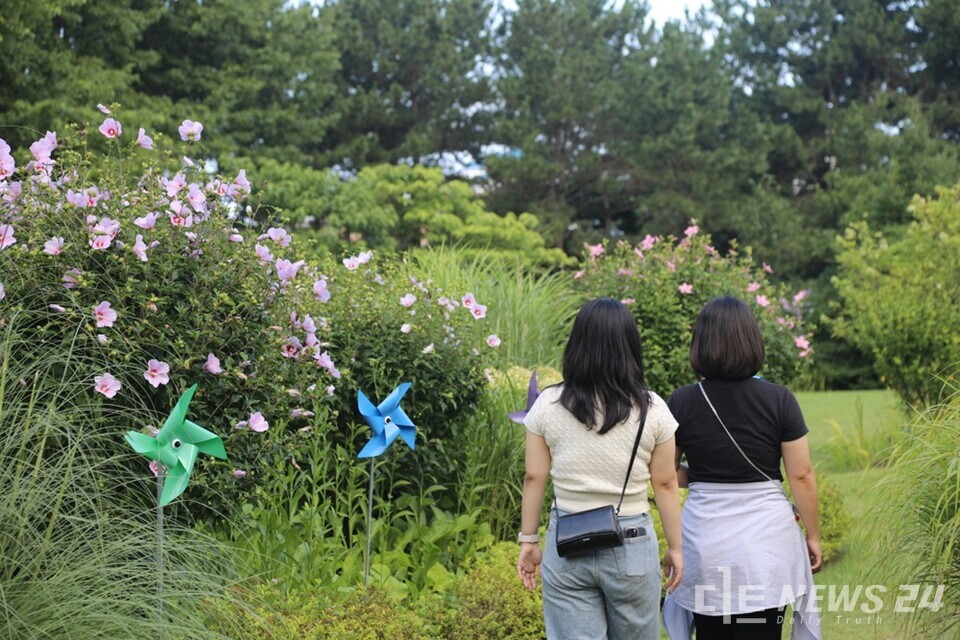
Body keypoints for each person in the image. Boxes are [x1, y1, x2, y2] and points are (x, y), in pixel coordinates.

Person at [516, 298, 684, 640]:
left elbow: (534, 476)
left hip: (567, 539)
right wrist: (676, 548)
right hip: (632, 541)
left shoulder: (547, 404)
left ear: (577, 345)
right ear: (630, 348)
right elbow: (666, 483)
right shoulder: (652, 409)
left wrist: (528, 540)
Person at [662, 296, 822, 640]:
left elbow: (667, 474)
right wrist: (812, 536)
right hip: (766, 544)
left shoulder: (682, 401)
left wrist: (700, 475)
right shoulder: (780, 399)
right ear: (751, 340)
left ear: (701, 343)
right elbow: (802, 475)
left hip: (706, 544)